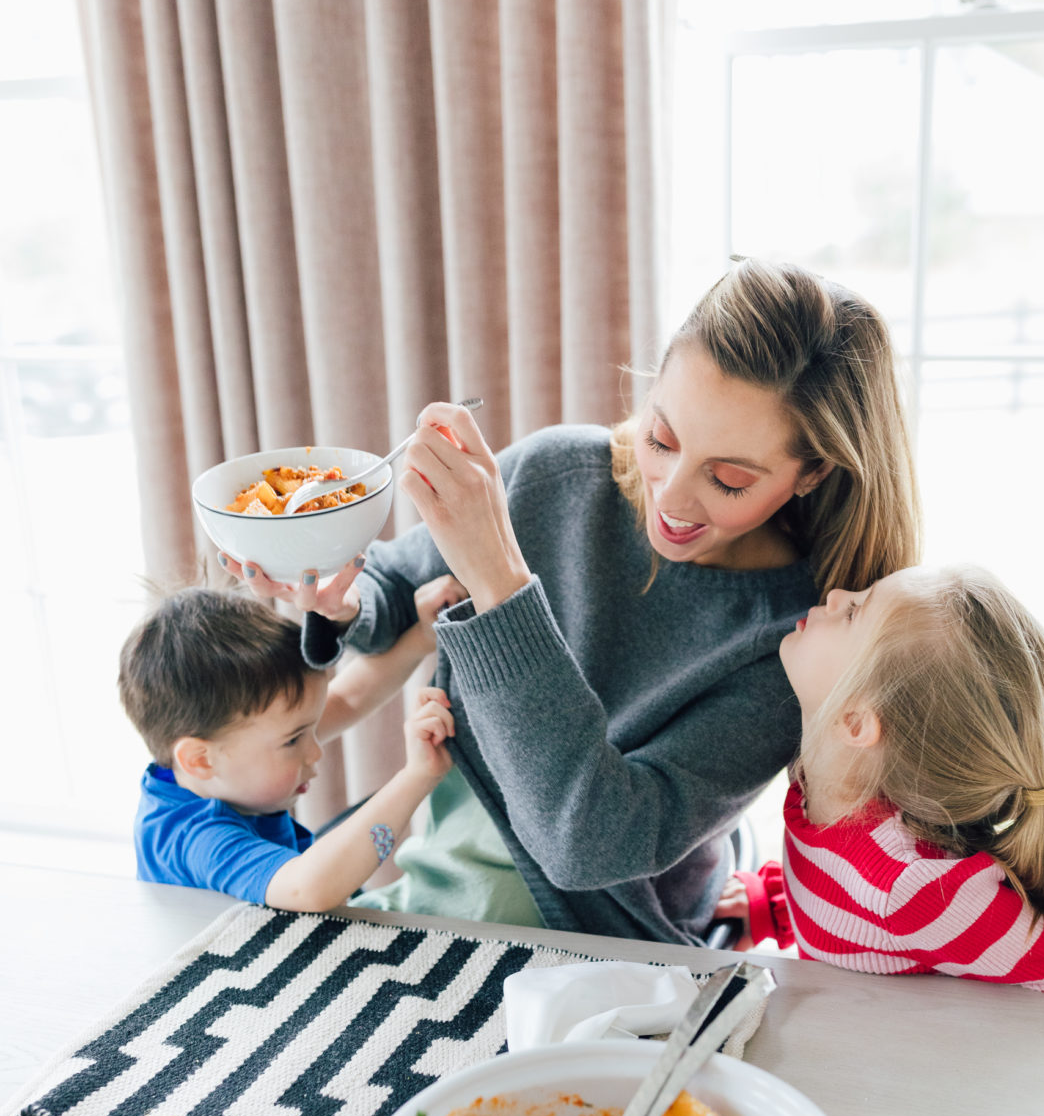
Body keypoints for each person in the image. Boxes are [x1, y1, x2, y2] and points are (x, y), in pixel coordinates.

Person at [219, 258, 922, 944]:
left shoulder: (801, 643)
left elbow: (588, 847)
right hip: (448, 862)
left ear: (811, 474)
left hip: (605, 935)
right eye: (662, 437)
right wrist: (338, 602)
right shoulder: (558, 475)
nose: (671, 496)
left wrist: (500, 583)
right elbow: (394, 593)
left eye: (730, 479)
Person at [714, 566, 1044, 995]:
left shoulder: (915, 889)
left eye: (854, 613)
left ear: (857, 722)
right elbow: (846, 898)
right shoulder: (819, 783)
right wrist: (771, 906)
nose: (838, 593)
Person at [118, 582, 459, 912]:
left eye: (309, 730)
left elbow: (349, 698)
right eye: (294, 740)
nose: (315, 753)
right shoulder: (193, 839)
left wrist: (422, 637)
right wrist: (417, 776)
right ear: (200, 760)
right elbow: (308, 889)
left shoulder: (226, 747)